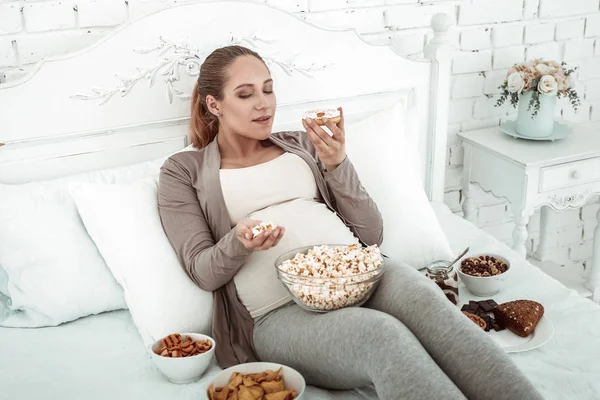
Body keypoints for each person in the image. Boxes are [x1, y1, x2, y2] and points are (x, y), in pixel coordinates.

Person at [157, 45, 543, 400]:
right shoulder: (183, 171)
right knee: (383, 336)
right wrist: (238, 241)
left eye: (268, 89)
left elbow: (372, 234)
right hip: (279, 315)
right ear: (214, 104)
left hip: (362, 274)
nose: (263, 104)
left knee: (431, 304)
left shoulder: (301, 144)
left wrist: (338, 164)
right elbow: (202, 272)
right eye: (245, 94)